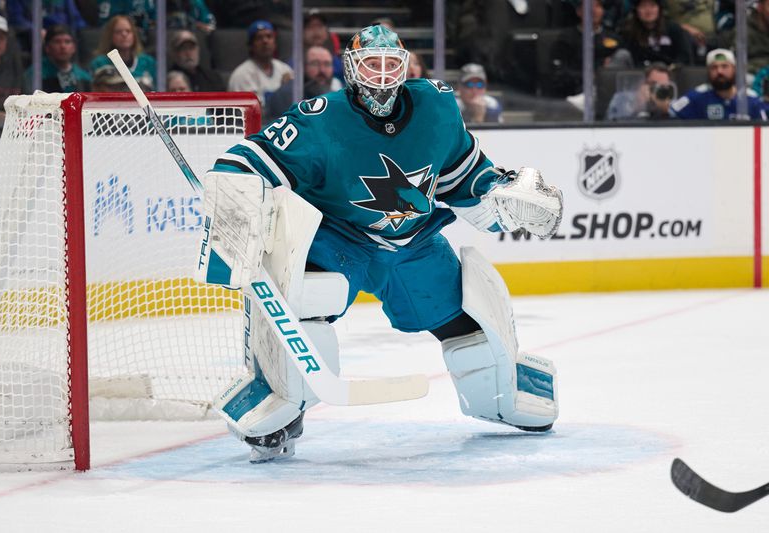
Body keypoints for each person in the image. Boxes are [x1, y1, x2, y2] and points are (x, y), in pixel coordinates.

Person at [203, 24, 562, 463]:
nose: (382, 74)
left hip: (415, 244)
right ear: (351, 69)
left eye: (391, 64)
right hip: (338, 240)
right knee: (302, 311)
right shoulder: (319, 118)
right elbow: (250, 159)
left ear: (405, 66)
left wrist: (496, 189)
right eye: (371, 64)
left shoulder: (437, 105)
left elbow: (462, 172)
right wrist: (232, 193)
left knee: (470, 324)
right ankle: (282, 401)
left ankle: (499, 398)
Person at [547, 0, 632, 98]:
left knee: (622, 55)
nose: (594, 11)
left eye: (598, 6)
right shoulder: (566, 39)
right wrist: (591, 76)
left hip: (610, 93)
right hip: (578, 91)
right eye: (589, 7)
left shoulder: (614, 38)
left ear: (603, 11)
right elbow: (559, 73)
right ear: (579, 11)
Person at [670, 48, 767, 120]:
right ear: (708, 71)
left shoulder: (751, 99)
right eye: (714, 67)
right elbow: (671, 112)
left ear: (734, 69)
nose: (719, 71)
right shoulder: (696, 97)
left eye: (724, 66)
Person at [264, 45, 342, 123]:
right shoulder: (286, 94)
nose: (322, 70)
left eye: (327, 64)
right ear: (303, 67)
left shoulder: (334, 96)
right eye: (315, 64)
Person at [227, 19, 293, 108]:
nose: (265, 41)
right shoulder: (241, 75)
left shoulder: (284, 69)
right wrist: (282, 90)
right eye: (259, 38)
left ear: (275, 43)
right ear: (251, 45)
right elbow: (251, 112)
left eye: (269, 36)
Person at [90, 14, 156, 92]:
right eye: (118, 32)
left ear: (134, 35)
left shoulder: (148, 62)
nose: (124, 34)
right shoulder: (99, 63)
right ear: (110, 36)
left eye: (128, 31)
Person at [619, 0, 693, 67]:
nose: (648, 10)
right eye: (643, 6)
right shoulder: (629, 32)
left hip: (670, 73)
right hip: (639, 75)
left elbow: (684, 56)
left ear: (659, 9)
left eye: (652, 5)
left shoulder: (673, 29)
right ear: (636, 10)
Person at [24, 25, 91, 93]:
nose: (63, 46)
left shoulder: (83, 77)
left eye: (67, 41)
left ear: (74, 47)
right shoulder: (35, 74)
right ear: (47, 47)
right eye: (57, 41)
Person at [606, 62, 675, 120]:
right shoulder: (622, 98)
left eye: (663, 86)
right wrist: (638, 105)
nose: (658, 89)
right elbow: (610, 124)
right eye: (653, 84)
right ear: (643, 83)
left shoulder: (673, 102)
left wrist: (666, 112)